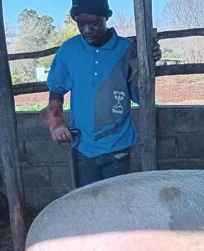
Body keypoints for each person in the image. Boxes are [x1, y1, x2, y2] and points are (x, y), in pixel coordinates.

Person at [40, 0, 162, 188]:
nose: (87, 30)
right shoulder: (69, 51)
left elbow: (140, 95)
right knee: (88, 201)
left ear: (106, 17)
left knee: (116, 200)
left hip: (118, 147)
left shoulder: (126, 50)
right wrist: (55, 122)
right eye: (80, 23)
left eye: (94, 22)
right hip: (83, 147)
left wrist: (147, 63)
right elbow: (56, 88)